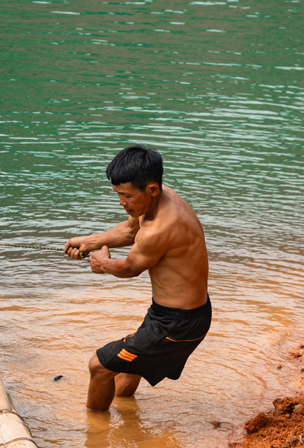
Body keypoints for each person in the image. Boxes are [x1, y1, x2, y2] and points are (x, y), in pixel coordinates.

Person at [64, 145, 211, 412]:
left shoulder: (161, 228)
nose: (121, 202)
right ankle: (127, 421)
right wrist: (88, 242)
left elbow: (130, 268)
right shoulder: (159, 197)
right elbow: (131, 231)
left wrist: (102, 263)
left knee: (99, 366)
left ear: (151, 189)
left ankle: (93, 431)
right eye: (118, 194)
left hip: (176, 326)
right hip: (174, 315)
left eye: (127, 196)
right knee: (129, 368)